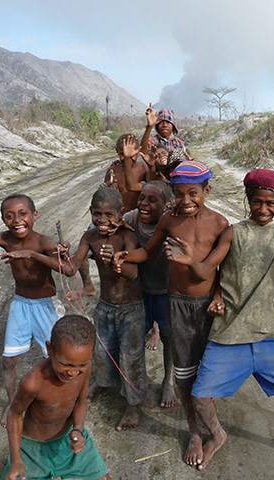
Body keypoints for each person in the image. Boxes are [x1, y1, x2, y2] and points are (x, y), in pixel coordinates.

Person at [166, 169, 274, 475]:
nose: (263, 209)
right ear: (248, 200)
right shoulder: (233, 233)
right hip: (229, 333)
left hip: (268, 334)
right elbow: (208, 270)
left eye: (271, 203)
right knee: (201, 398)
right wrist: (191, 262)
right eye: (257, 202)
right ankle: (217, 434)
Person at [112, 160, 228, 467]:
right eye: (179, 194)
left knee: (209, 369)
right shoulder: (169, 222)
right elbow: (148, 251)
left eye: (194, 193)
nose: (186, 201)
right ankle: (193, 432)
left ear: (207, 191)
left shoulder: (220, 224)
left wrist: (211, 288)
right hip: (176, 304)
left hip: (208, 308)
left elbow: (218, 272)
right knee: (184, 373)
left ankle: (211, 424)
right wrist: (128, 256)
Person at [0, 193, 66, 428]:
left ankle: (58, 400)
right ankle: (12, 403)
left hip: (46, 305)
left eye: (23, 214)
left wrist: (34, 254)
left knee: (55, 358)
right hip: (20, 304)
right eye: (9, 216)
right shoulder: (2, 238)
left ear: (34, 215)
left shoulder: (43, 242)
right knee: (9, 360)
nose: (17, 220)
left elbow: (68, 269)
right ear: (3, 219)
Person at [62, 187, 148, 431]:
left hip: (131, 309)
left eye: (109, 214)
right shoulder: (90, 238)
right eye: (97, 214)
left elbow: (133, 275)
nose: (102, 220)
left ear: (121, 214)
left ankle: (133, 403)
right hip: (105, 306)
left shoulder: (126, 237)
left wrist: (117, 262)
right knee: (101, 352)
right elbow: (70, 268)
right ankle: (105, 382)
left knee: (130, 357)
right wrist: (62, 255)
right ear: (90, 212)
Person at [2, 314, 110, 480]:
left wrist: (78, 429)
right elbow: (14, 414)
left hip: (68, 441)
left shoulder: (85, 370)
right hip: (32, 451)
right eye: (65, 364)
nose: (73, 372)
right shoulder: (33, 382)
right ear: (49, 349)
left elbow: (81, 400)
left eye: (81, 365)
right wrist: (16, 460)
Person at [123, 180, 177, 408]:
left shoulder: (174, 223)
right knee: (133, 339)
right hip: (140, 291)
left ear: (166, 206)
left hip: (167, 292)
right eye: (142, 198)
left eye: (152, 200)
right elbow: (102, 229)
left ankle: (168, 381)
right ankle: (136, 384)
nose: (144, 204)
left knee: (169, 339)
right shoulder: (131, 219)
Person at [103, 134, 151, 213]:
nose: (127, 157)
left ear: (138, 151)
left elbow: (151, 187)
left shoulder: (143, 167)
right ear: (117, 152)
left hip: (137, 215)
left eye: (133, 154)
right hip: (117, 214)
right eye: (122, 154)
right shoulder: (112, 170)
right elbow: (106, 192)